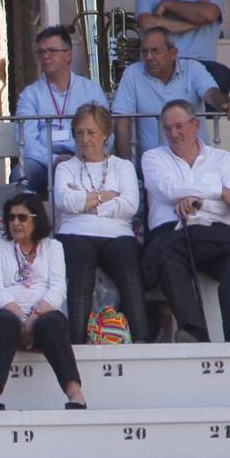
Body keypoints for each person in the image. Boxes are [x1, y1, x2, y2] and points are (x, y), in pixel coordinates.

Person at [141, 99, 230, 343]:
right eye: (167, 129)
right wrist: (220, 191)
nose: (173, 134)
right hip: (173, 234)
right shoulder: (153, 158)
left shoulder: (222, 158)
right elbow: (169, 188)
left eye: (179, 126)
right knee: (169, 262)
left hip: (215, 234)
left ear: (195, 125)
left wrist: (199, 203)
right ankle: (194, 333)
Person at [0, 193, 87, 411]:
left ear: (35, 219)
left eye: (22, 217)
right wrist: (22, 318)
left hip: (43, 315)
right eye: (11, 218)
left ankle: (75, 394)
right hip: (6, 313)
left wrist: (35, 317)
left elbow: (58, 289)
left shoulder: (53, 247)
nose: (15, 223)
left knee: (52, 323)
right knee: (4, 322)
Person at [53, 103, 147, 343]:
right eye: (79, 133)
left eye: (91, 132)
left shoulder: (122, 166)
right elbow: (65, 201)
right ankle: (76, 342)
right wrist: (106, 196)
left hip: (118, 234)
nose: (85, 139)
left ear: (105, 134)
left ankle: (141, 340)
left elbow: (129, 205)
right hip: (75, 232)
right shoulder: (65, 167)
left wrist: (87, 203)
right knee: (80, 270)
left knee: (128, 269)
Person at [113, 28, 230, 161]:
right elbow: (122, 122)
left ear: (173, 53)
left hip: (197, 162)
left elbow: (211, 93)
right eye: (144, 52)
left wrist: (225, 104)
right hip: (153, 165)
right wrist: (126, 167)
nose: (149, 57)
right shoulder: (132, 73)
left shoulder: (193, 68)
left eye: (155, 51)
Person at [14, 26, 108, 195]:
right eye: (41, 52)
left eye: (52, 51)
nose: (45, 56)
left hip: (86, 157)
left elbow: (106, 131)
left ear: (69, 54)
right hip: (45, 163)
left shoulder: (91, 90)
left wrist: (81, 156)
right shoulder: (30, 95)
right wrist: (54, 160)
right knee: (21, 175)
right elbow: (25, 140)